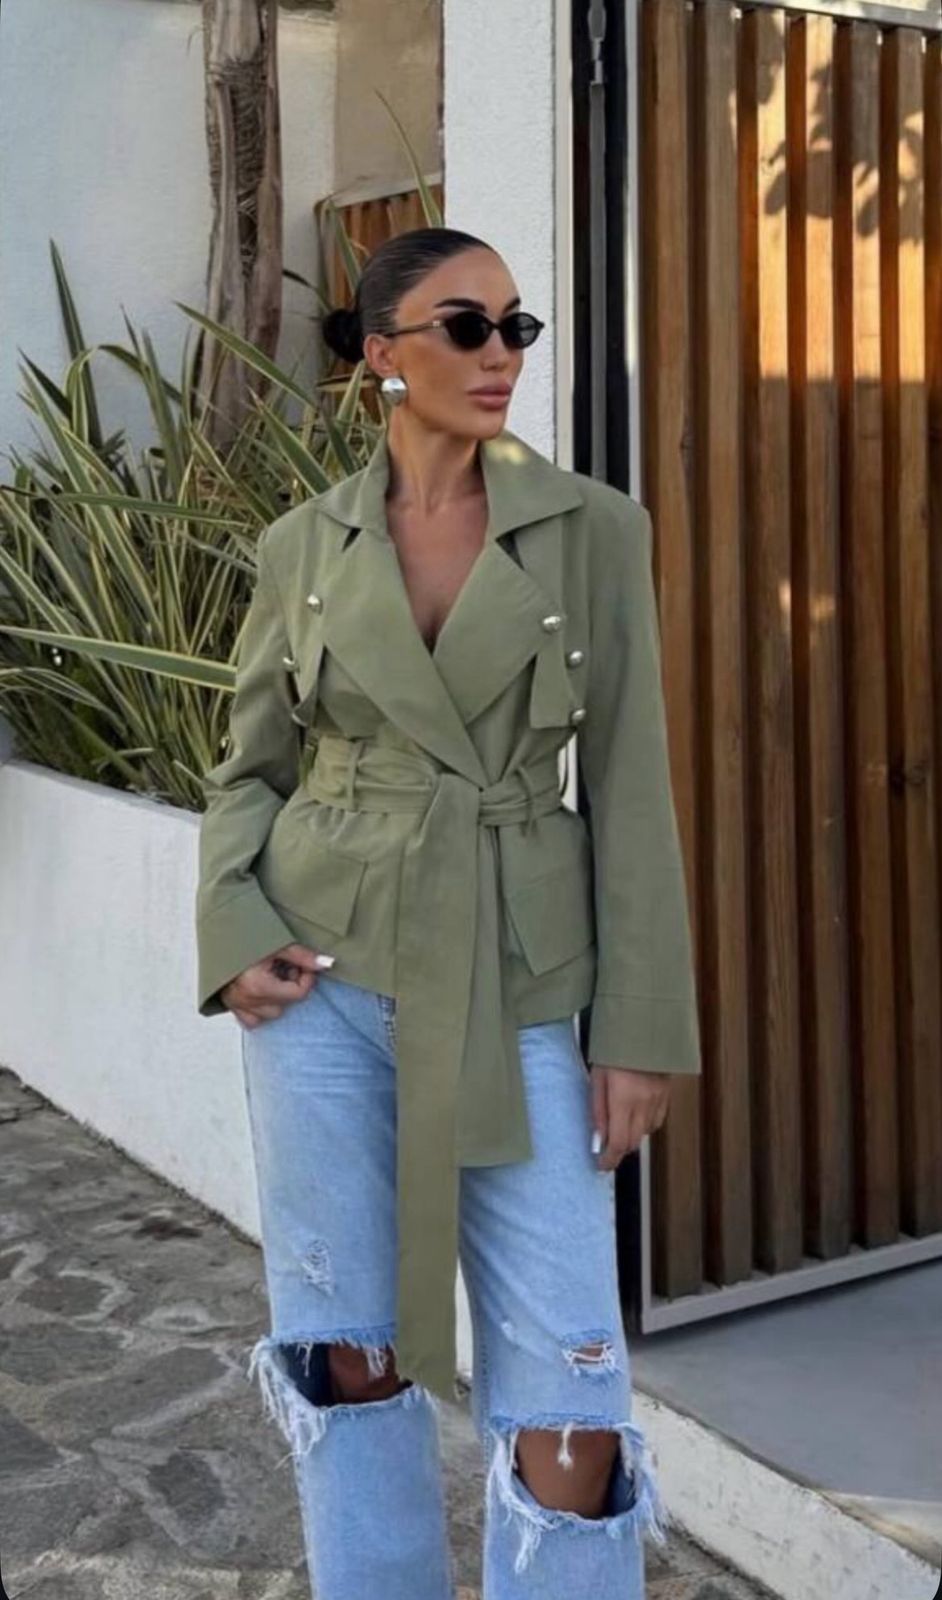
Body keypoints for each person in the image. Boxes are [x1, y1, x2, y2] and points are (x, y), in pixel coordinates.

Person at [194, 225, 701, 1599]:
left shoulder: (592, 530)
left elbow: (631, 784)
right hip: (323, 982)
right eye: (464, 327)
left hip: (518, 978)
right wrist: (233, 930)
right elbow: (250, 769)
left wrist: (639, 1027)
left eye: (515, 327)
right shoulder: (304, 544)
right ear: (381, 354)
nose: (500, 356)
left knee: (569, 1397)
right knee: (345, 1350)